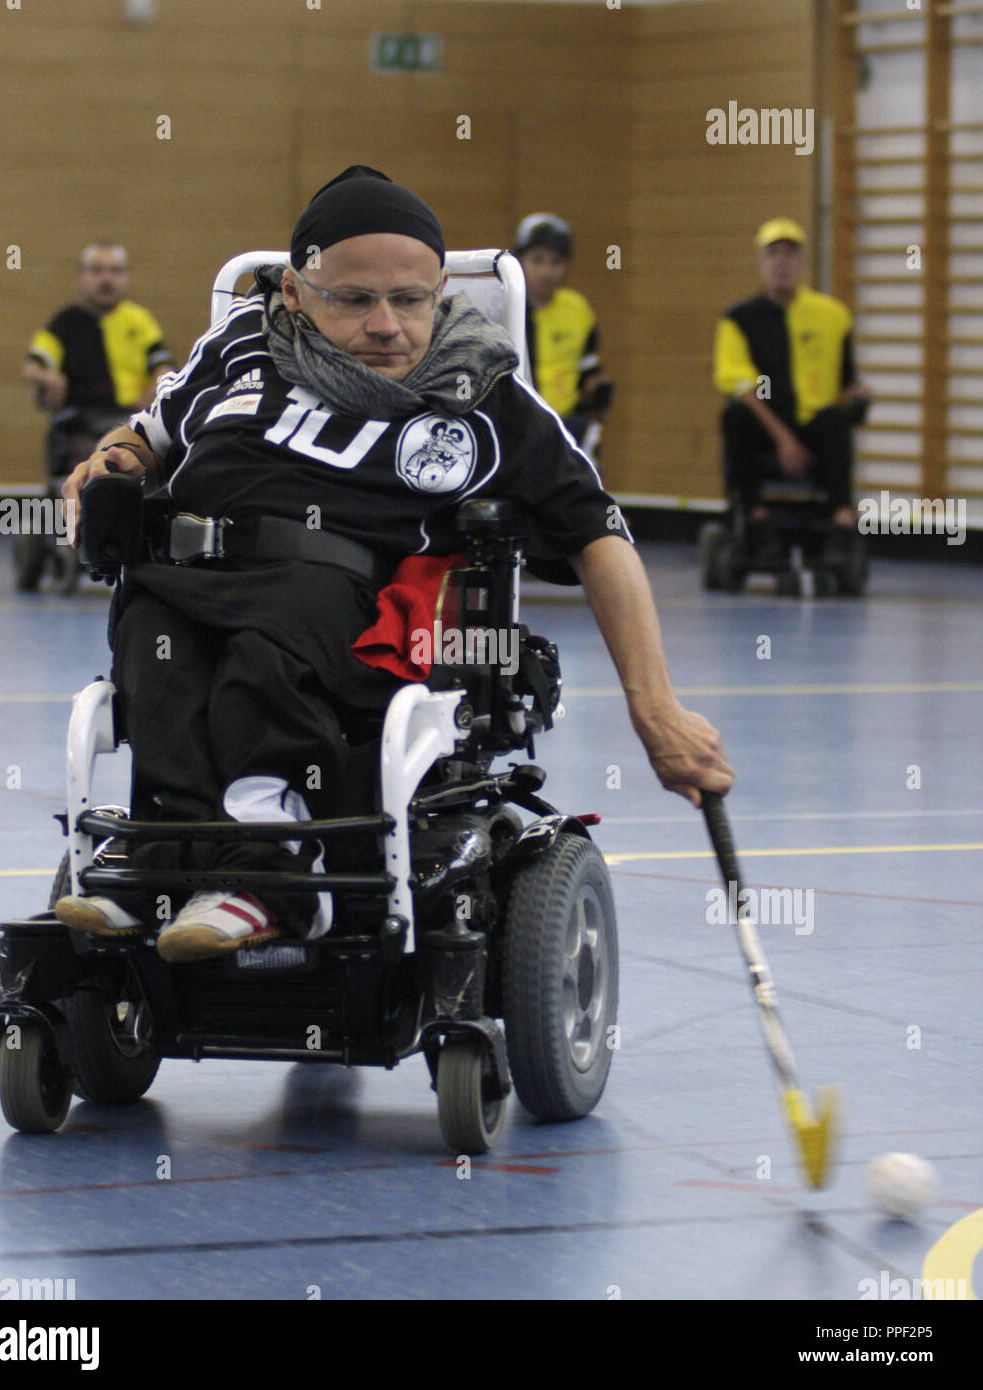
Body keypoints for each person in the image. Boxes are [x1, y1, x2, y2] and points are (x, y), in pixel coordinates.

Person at [55, 166, 733, 963]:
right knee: (155, 654)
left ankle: (277, 877)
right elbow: (148, 431)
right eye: (355, 299)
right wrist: (110, 458)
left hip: (330, 591)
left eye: (409, 300)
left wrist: (655, 710)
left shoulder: (484, 395)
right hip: (183, 575)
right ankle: (164, 863)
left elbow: (601, 536)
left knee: (260, 659)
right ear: (297, 292)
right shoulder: (242, 340)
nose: (386, 325)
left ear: (440, 289)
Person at [713, 218, 871, 557]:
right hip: (768, 421)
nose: (782, 261)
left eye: (790, 253)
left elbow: (846, 381)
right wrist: (785, 441)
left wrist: (858, 394)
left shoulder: (832, 316)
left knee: (835, 422)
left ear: (802, 262)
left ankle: (841, 520)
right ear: (762, 261)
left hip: (813, 420)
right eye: (774, 253)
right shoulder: (740, 318)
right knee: (736, 416)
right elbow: (742, 385)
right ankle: (756, 515)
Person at [23, 243, 174, 476]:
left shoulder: (140, 321)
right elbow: (32, 368)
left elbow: (162, 368)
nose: (106, 279)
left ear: (126, 277)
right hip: (80, 427)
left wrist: (150, 398)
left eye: (115, 271)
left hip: (128, 423)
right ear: (82, 276)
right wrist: (51, 378)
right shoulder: (65, 323)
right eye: (96, 270)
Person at [513, 213, 612, 457]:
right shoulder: (503, 308)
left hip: (567, 428)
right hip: (516, 430)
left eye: (555, 262)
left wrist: (598, 388)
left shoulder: (577, 309)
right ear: (519, 261)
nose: (546, 271)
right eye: (537, 260)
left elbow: (587, 366)